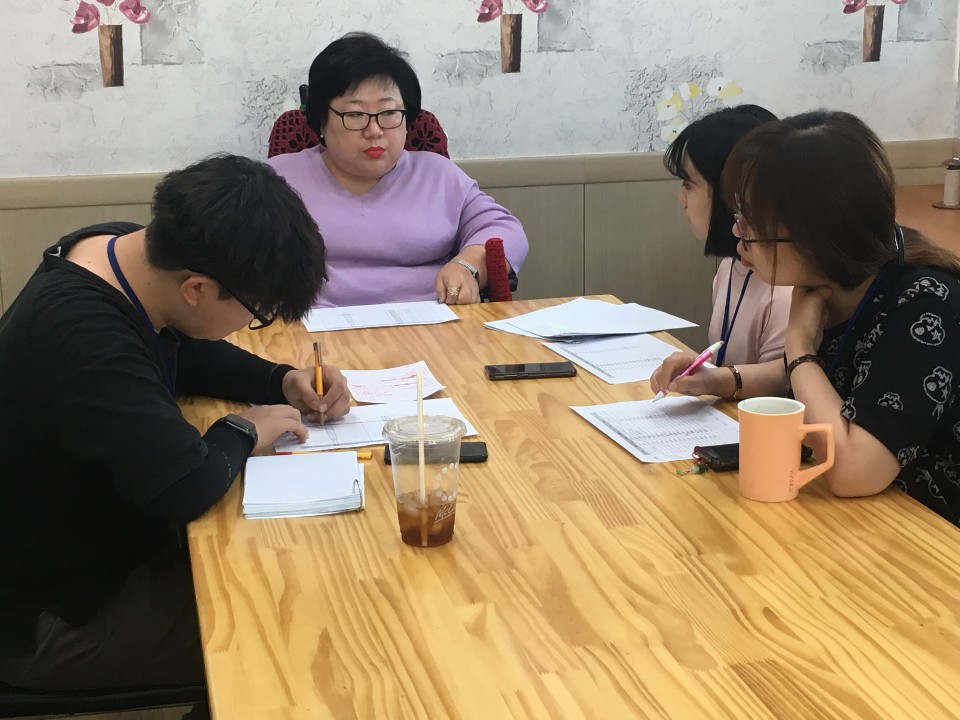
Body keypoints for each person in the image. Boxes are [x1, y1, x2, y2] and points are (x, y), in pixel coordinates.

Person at [0, 154, 351, 692]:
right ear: (197, 289)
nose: (250, 323)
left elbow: (183, 346)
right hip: (49, 613)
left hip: (97, 550)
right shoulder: (85, 335)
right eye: (255, 312)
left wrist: (281, 380)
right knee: (300, 629)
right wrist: (245, 429)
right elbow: (183, 485)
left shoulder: (123, 254)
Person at [679, 110, 960, 525]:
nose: (738, 233)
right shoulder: (835, 282)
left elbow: (852, 471)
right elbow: (829, 379)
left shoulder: (924, 305)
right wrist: (721, 380)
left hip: (931, 532)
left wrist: (799, 347)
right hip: (869, 516)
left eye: (751, 221)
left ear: (813, 234)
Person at [268, 32, 529, 308]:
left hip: (432, 324)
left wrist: (468, 266)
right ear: (321, 120)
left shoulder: (437, 175)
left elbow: (504, 230)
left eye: (389, 113)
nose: (374, 130)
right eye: (355, 115)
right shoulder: (276, 182)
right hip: (307, 326)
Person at [651, 105, 790, 401]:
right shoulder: (730, 265)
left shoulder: (785, 285)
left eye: (689, 185)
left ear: (730, 194)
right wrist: (704, 372)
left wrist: (716, 380)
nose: (681, 199)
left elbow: (785, 386)